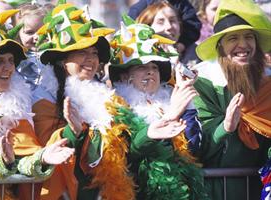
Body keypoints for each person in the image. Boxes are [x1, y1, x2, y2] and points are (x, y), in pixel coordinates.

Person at [33, 1, 189, 199]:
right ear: (62, 59)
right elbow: (46, 154)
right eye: (82, 52)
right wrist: (72, 132)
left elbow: (128, 149)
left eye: (94, 53)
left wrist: (151, 131)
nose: (90, 59)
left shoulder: (109, 98)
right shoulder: (43, 99)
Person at [0, 5, 74, 199]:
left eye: (10, 60)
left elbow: (21, 161)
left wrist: (41, 159)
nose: (9, 67)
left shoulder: (19, 105)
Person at [108, 15, 207, 200]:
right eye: (141, 66)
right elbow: (125, 156)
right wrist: (170, 116)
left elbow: (193, 149)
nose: (150, 71)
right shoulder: (115, 107)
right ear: (123, 76)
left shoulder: (170, 100)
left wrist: (186, 105)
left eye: (154, 66)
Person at [192, 0, 271, 199]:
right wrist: (225, 127)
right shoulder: (204, 84)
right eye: (233, 38)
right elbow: (197, 150)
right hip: (216, 191)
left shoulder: (268, 84)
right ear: (220, 47)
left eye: (249, 37)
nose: (243, 45)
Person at [128, 0, 201, 57]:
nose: (168, 26)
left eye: (172, 21)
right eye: (160, 22)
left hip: (181, 50)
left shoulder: (182, 4)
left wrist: (182, 44)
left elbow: (193, 26)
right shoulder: (138, 9)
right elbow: (130, 33)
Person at [14, 2, 54, 90]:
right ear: (18, 34)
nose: (36, 37)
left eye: (42, 31)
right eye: (29, 32)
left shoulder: (55, 54)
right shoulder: (17, 57)